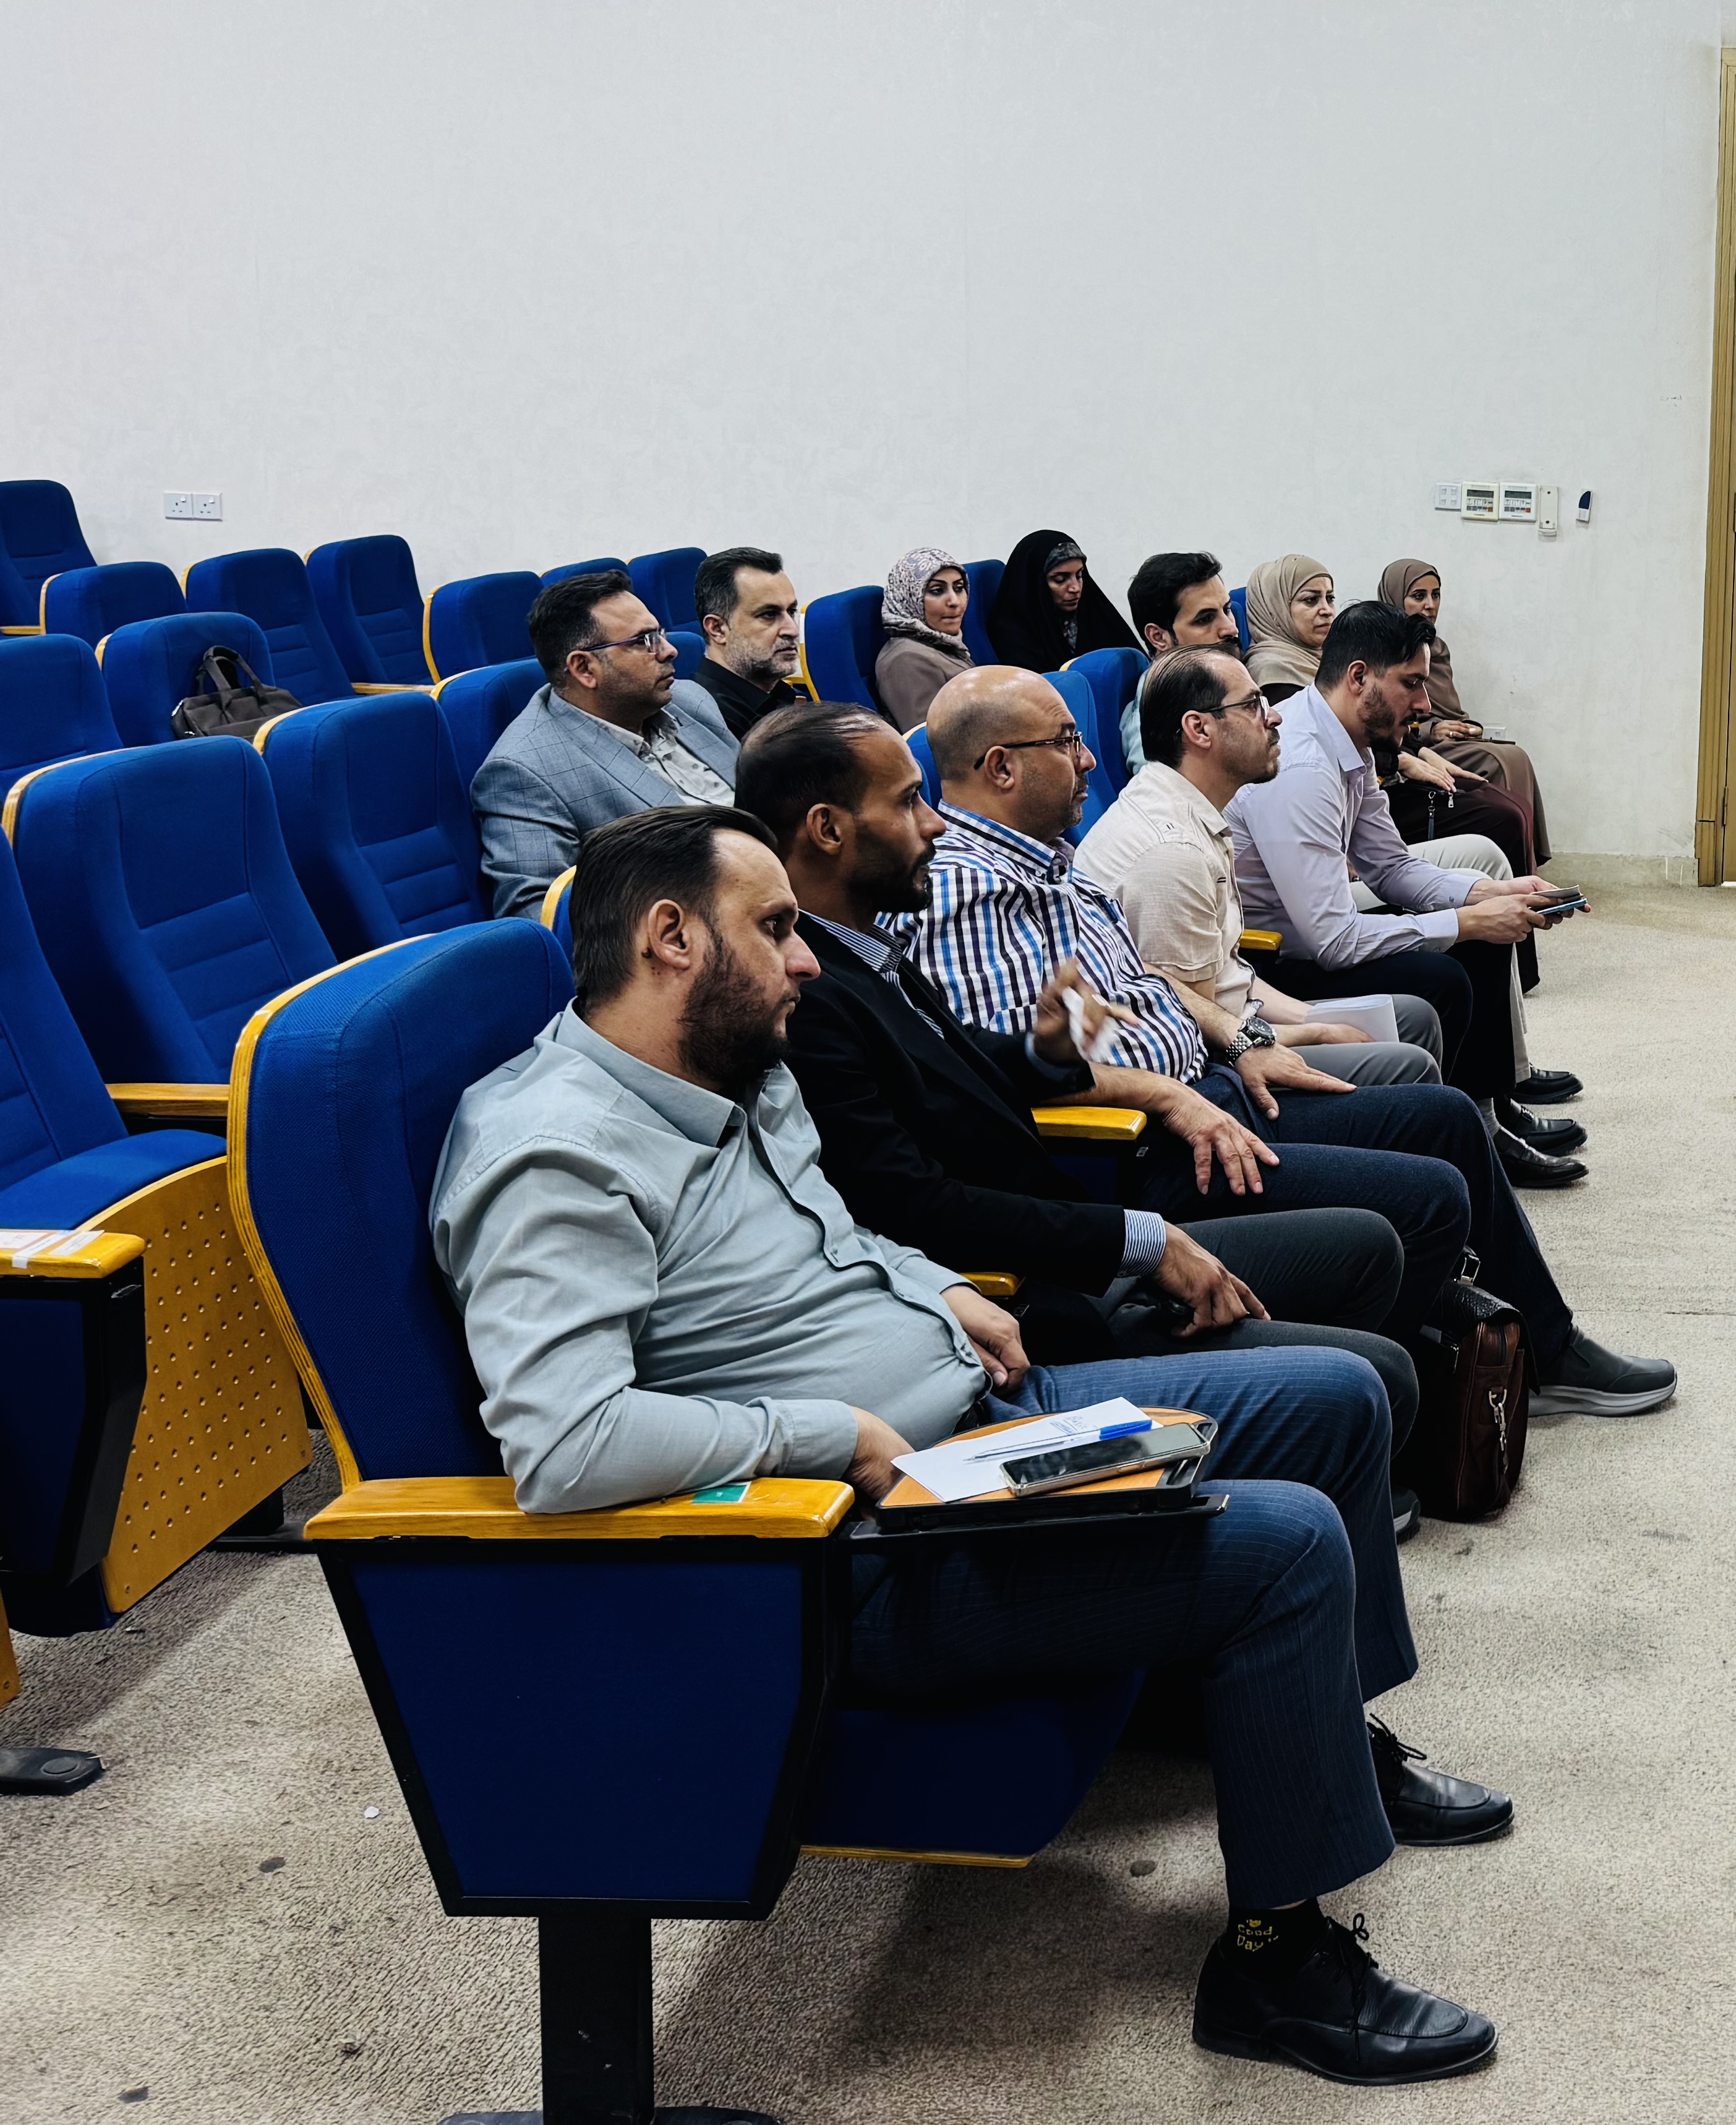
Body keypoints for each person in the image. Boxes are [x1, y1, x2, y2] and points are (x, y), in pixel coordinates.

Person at [427, 805, 1507, 2082]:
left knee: (1336, 1396)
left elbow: (839, 1236)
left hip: (976, 1421)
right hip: (855, 1548)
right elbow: (566, 1444)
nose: (809, 957)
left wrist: (935, 1285)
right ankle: (1278, 1967)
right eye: (775, 928)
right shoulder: (554, 1152)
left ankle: (1328, 1744)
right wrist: (835, 1431)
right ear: (670, 937)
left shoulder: (733, 1067)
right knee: (1286, 1546)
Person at [896, 667, 1672, 1417]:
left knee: (1445, 1119)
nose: (1091, 759)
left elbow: (1149, 981)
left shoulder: (1049, 860)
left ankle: (1526, 1347)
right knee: (1431, 1193)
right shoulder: (966, 891)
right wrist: (1171, 1093)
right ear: (1001, 767)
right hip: (1149, 1149)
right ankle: (1425, 1391)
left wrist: (1240, 1043)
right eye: (1067, 741)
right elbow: (1010, 1076)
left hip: (1213, 1085)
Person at [734, 702, 1429, 1464]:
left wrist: (1045, 1051)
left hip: (1081, 1239)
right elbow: (913, 1206)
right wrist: (1141, 1239)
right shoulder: (809, 996)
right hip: (1036, 1297)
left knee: (1369, 1248)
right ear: (828, 831)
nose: (933, 823)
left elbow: (958, 1065)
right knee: (1376, 1378)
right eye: (907, 803)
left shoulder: (865, 950)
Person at [1231, 604, 1584, 1161]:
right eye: (1412, 683)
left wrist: (1488, 896)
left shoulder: (1348, 743)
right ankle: (1466, 1133)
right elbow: (1333, 942)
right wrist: (1466, 921)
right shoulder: (1304, 767)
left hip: (1311, 935)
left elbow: (1391, 868)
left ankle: (1487, 1114)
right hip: (1271, 964)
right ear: (1359, 678)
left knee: (1481, 932)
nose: (1424, 704)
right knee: (1445, 974)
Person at [1079, 650, 1458, 1088]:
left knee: (1414, 1017)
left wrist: (1312, 1017)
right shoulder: (1171, 853)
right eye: (1252, 705)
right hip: (1224, 1068)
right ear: (1199, 729)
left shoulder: (1190, 806)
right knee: (1410, 1064)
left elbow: (1229, 977)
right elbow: (1196, 1033)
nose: (1274, 716)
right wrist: (1312, 1031)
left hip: (1241, 1017)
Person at [472, 568, 745, 919]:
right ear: (585, 669)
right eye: (644, 641)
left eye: (660, 634)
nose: (670, 651)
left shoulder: (690, 699)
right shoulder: (525, 771)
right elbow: (539, 916)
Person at [1377, 559, 1551, 867]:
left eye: (1436, 595)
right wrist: (1431, 731)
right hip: (1410, 747)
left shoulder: (1437, 648)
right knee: (1495, 764)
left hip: (1424, 745)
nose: (1430, 605)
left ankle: (1523, 865)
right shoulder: (1382, 649)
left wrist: (1464, 726)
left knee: (1516, 757)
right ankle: (1508, 865)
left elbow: (1447, 708)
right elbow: (1386, 718)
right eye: (1419, 596)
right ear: (1394, 597)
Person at [683, 547, 811, 742]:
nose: (792, 630)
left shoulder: (783, 697)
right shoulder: (707, 723)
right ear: (718, 629)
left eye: (791, 611)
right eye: (769, 615)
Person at [1122, 551, 1236, 767]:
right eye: (1205, 619)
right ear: (1159, 637)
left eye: (1227, 610)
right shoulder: (1155, 726)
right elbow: (1160, 786)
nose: (1231, 628)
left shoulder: (1210, 682)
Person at [990, 530, 1138, 674]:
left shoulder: (1093, 614)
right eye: (1060, 580)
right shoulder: (1014, 636)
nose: (1076, 588)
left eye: (1079, 575)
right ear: (1035, 584)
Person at [873, 547, 973, 732]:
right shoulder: (905, 660)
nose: (955, 601)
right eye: (937, 591)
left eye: (959, 589)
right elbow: (928, 740)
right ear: (910, 597)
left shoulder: (943, 643)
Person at [1245, 555, 1338, 695]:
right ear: (1275, 610)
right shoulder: (1274, 675)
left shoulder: (1332, 659)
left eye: (1330, 598)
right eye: (1311, 599)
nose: (1327, 610)